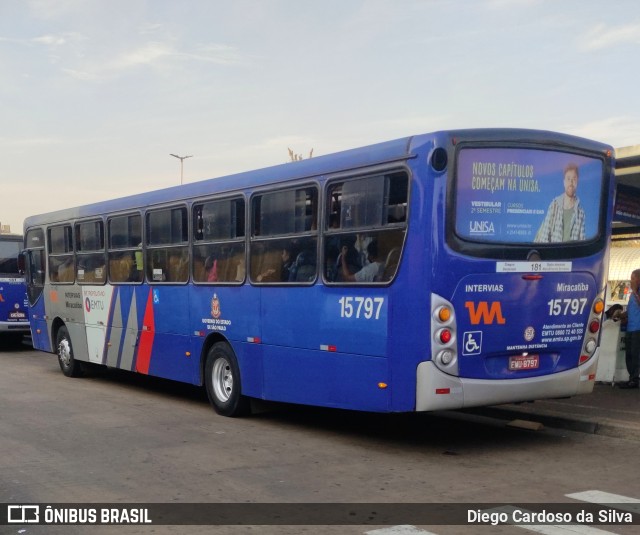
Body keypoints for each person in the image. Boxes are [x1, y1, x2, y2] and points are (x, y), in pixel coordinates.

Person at [534, 163, 586, 243]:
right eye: (568, 179)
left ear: (577, 182)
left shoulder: (581, 212)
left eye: (574, 179)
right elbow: (544, 237)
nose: (571, 183)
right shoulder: (554, 205)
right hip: (554, 254)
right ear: (564, 182)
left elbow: (582, 242)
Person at [613, 268, 640, 389]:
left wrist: (634, 291)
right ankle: (631, 378)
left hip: (637, 328)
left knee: (635, 354)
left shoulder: (636, 292)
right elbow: (629, 311)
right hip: (630, 327)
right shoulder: (632, 295)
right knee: (628, 354)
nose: (631, 281)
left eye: (633, 278)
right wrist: (619, 314)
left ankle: (635, 378)